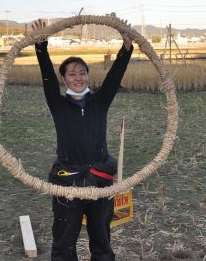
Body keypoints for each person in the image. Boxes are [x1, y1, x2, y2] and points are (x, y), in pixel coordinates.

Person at [31, 19, 133, 261]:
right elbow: (46, 77)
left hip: (100, 180)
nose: (78, 77)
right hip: (68, 183)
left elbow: (115, 75)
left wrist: (126, 47)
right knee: (64, 241)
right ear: (64, 79)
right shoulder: (59, 105)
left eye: (82, 72)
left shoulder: (100, 101)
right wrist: (40, 46)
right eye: (71, 73)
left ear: (88, 76)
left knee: (101, 237)